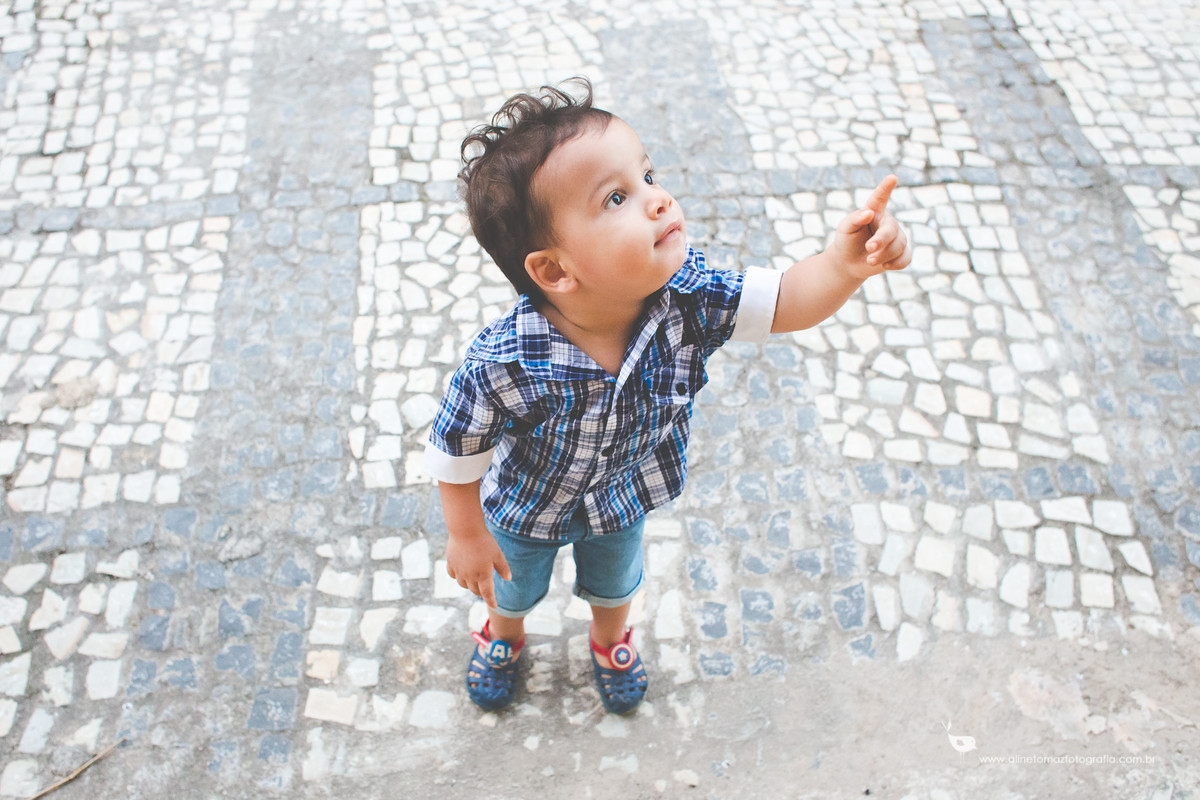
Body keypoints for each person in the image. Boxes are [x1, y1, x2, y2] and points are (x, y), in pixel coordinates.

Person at [423, 78, 911, 714]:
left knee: (615, 582)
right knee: (511, 589)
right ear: (553, 270)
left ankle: (609, 641)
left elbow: (787, 300)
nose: (658, 200)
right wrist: (466, 536)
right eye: (618, 197)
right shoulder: (508, 359)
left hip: (624, 494)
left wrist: (845, 265)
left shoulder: (689, 296)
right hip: (526, 506)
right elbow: (456, 445)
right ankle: (504, 637)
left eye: (648, 175)